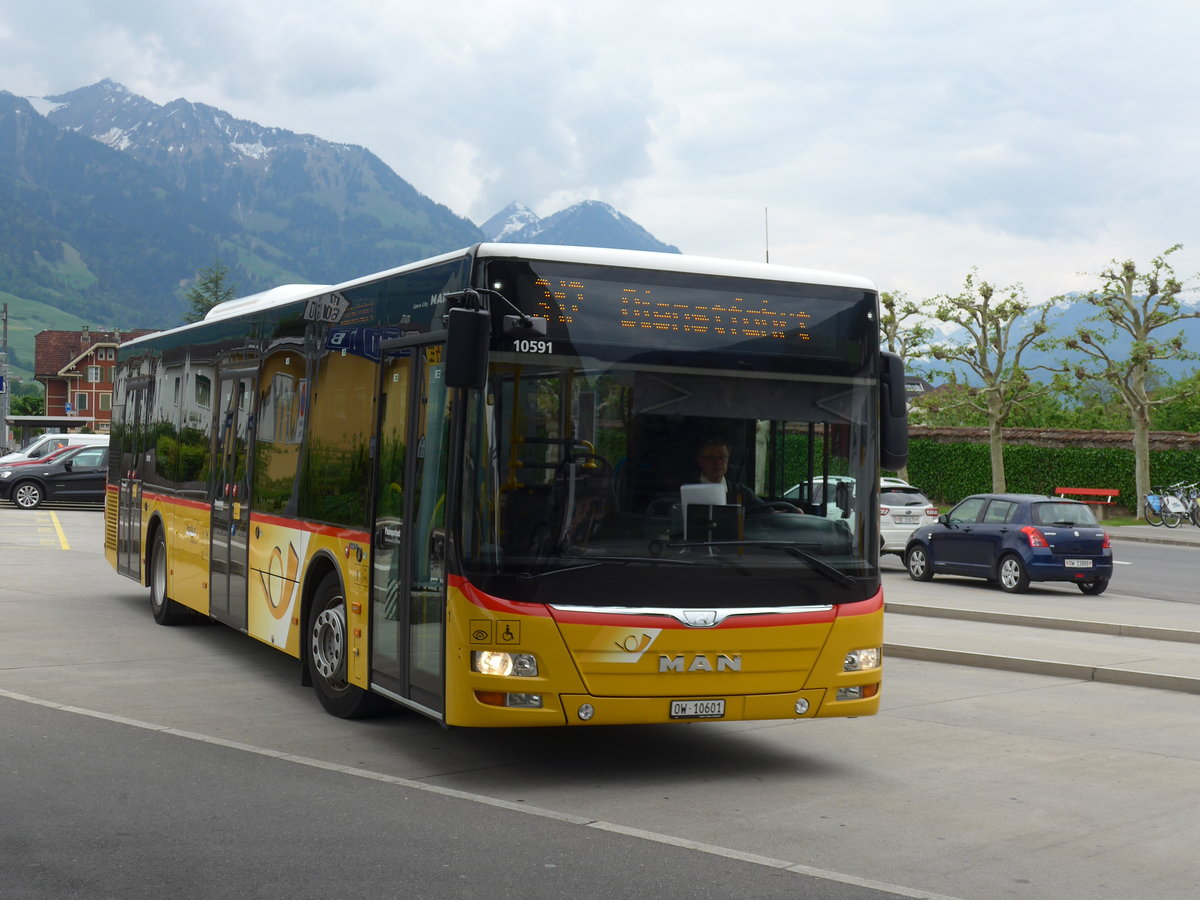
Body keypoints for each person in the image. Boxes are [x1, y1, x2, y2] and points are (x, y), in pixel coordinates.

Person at [693, 437, 766, 507]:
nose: (718, 461)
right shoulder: (688, 492)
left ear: (728, 459)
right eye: (711, 457)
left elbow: (767, 513)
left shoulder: (742, 493)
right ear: (700, 460)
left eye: (722, 457)